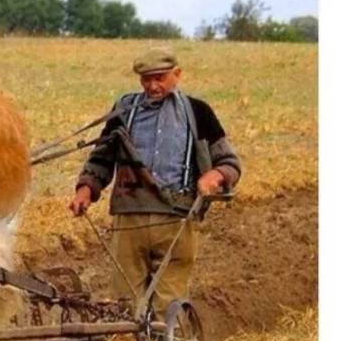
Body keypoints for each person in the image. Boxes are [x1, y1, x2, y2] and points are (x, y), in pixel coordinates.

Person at [68, 46, 241, 316]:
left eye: (159, 78)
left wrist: (214, 176)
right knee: (124, 304)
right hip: (130, 218)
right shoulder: (124, 110)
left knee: (168, 303)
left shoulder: (198, 112)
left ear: (177, 74)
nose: (152, 86)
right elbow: (102, 157)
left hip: (177, 219)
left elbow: (229, 162)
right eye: (146, 79)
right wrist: (86, 189)